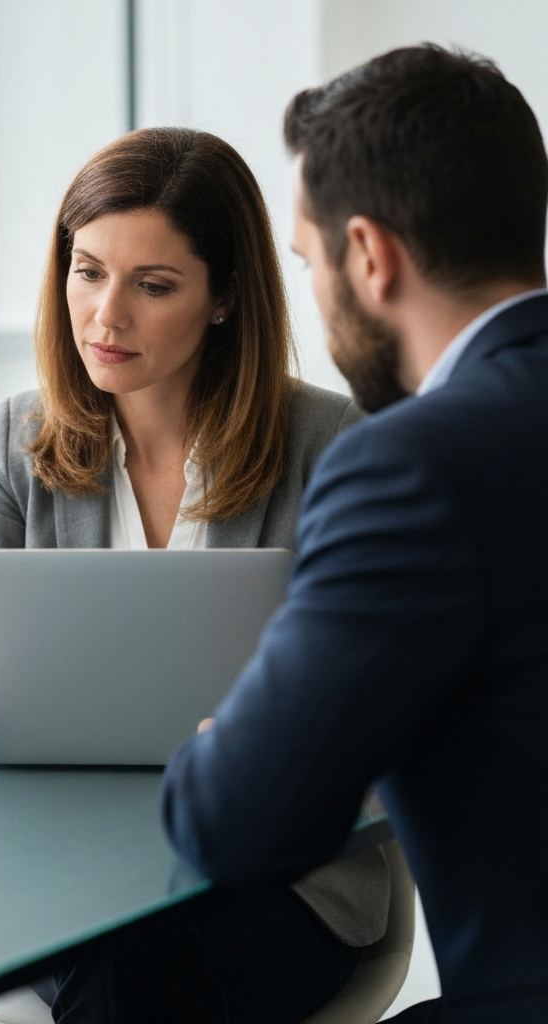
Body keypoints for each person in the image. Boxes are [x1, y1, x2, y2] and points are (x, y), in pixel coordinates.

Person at [0, 127, 387, 1023]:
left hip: (276, 875)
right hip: (64, 858)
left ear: (225, 296)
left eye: (153, 285)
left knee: (129, 971)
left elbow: (375, 686)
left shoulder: (331, 443)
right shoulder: (25, 433)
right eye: (87, 272)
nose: (105, 317)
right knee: (110, 959)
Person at [162, 45, 548, 1024]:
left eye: (307, 261)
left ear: (369, 256)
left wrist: (230, 741)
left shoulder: (409, 466)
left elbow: (235, 824)